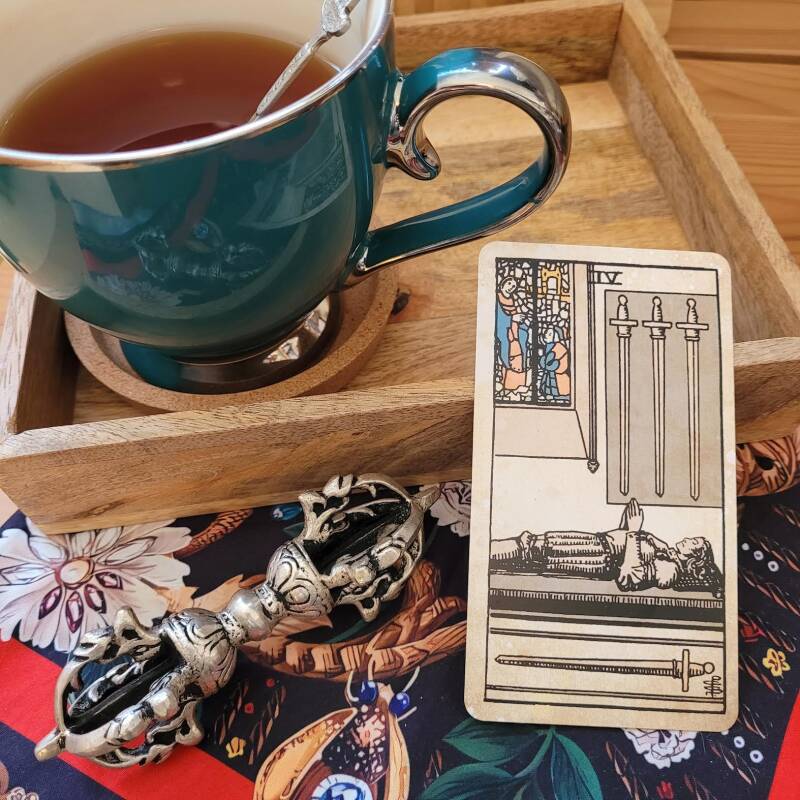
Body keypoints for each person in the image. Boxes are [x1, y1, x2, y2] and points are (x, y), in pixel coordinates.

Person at [490, 498, 723, 597]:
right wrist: (627, 525)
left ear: (695, 558)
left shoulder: (670, 571)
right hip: (596, 545)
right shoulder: (668, 552)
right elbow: (630, 545)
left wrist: (633, 530)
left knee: (532, 551)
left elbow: (629, 578)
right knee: (532, 545)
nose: (689, 539)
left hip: (596, 558)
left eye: (695, 543)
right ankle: (484, 553)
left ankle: (483, 555)